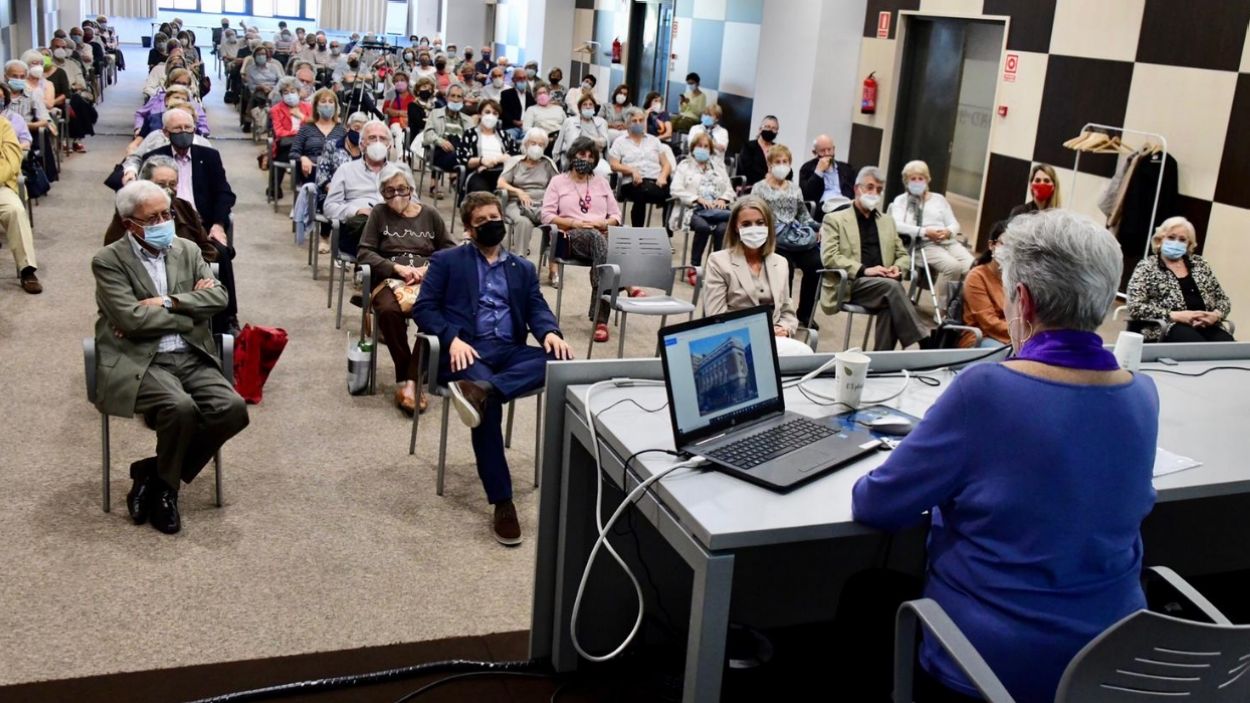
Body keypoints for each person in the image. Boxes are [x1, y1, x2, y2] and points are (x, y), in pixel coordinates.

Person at [851, 208, 1157, 703]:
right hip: (1110, 660)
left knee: (865, 594)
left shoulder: (986, 390)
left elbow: (877, 505)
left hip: (991, 666)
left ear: (1023, 301)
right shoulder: (1142, 393)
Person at [413, 191, 573, 545]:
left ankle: (485, 390)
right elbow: (424, 308)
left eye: (495, 218)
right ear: (469, 229)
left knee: (560, 359)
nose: (491, 225)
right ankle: (502, 501)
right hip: (468, 351)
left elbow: (536, 308)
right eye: (481, 221)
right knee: (489, 411)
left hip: (509, 350)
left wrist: (549, 332)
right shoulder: (447, 261)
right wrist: (452, 339)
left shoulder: (522, 268)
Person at [93, 181, 250, 535]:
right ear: (130, 223)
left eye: (167, 214)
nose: (164, 222)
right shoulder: (108, 261)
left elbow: (219, 299)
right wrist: (188, 313)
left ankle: (153, 473)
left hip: (190, 353)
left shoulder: (188, 250)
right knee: (180, 407)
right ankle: (168, 492)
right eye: (153, 218)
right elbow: (130, 320)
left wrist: (168, 302)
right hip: (141, 360)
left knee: (232, 409)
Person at [357, 164, 456, 414]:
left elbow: (450, 251)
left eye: (401, 189)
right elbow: (364, 252)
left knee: (433, 314)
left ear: (411, 189)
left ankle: (411, 382)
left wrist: (428, 269)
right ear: (382, 193)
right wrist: (396, 268)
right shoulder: (379, 213)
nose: (396, 195)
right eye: (389, 191)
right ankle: (406, 375)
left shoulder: (430, 214)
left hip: (427, 279)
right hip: (391, 278)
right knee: (388, 311)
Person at [106, 155, 241, 336]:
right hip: (145, 286)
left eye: (173, 184)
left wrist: (190, 269)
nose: (168, 190)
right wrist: (191, 306)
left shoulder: (184, 208)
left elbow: (208, 251)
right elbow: (115, 259)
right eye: (161, 184)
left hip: (186, 281)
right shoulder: (129, 215)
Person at [819, 166, 926, 350]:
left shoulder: (887, 221)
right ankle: (924, 341)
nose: (874, 193)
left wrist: (898, 268)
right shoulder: (835, 219)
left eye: (878, 189)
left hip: (883, 285)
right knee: (893, 288)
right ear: (856, 189)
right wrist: (865, 270)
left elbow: (902, 255)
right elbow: (829, 257)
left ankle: (879, 361)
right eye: (869, 187)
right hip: (851, 283)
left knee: (890, 304)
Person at [541, 137, 624, 342]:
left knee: (614, 241)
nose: (585, 159)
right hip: (569, 236)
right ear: (572, 156)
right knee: (599, 241)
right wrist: (574, 223)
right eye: (581, 155)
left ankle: (600, 319)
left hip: (600, 233)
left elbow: (616, 215)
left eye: (590, 156)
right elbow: (546, 216)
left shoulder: (601, 182)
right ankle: (618, 287)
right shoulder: (558, 182)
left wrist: (604, 223)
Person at [1126, 216, 1233, 343]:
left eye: (1182, 239)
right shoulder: (1146, 267)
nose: (1176, 243)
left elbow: (1223, 299)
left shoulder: (1200, 264)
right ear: (1160, 240)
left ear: (1189, 244)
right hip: (1168, 326)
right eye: (1171, 237)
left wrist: (1215, 315)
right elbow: (1135, 307)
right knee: (1195, 345)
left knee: (1229, 347)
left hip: (1206, 325)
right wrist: (1174, 315)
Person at [702, 198, 799, 337]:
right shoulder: (718, 261)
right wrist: (759, 333)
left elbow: (787, 311)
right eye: (746, 224)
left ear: (768, 225)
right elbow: (716, 316)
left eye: (760, 223)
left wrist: (784, 329)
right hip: (737, 337)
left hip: (776, 337)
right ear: (736, 228)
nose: (754, 229)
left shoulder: (781, 263)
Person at [752, 145, 822, 326]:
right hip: (772, 238)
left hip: (794, 236)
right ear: (770, 164)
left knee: (816, 263)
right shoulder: (759, 188)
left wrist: (819, 227)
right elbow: (754, 216)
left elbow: (803, 215)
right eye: (778, 162)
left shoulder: (795, 189)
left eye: (785, 161)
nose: (782, 165)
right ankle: (784, 314)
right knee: (785, 266)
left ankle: (805, 313)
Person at [146, 109, 236, 248]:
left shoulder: (209, 156)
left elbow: (224, 193)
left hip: (202, 225)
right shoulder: (154, 158)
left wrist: (218, 224)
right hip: (165, 224)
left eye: (188, 127)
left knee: (222, 253)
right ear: (166, 132)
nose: (184, 132)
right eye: (177, 128)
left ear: (194, 130)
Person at [887, 159, 973, 305]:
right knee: (953, 267)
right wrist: (925, 232)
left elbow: (954, 223)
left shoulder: (939, 199)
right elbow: (896, 225)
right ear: (906, 181)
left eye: (920, 178)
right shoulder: (901, 201)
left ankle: (960, 306)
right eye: (913, 179)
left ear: (927, 179)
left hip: (947, 241)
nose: (917, 182)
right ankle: (944, 309)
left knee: (973, 267)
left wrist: (948, 232)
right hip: (923, 245)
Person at [324, 120, 410, 257]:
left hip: (393, 227)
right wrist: (356, 211)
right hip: (359, 230)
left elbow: (414, 206)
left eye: (382, 139)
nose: (377, 142)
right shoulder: (346, 170)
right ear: (362, 144)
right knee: (367, 224)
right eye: (372, 138)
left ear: (389, 145)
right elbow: (329, 207)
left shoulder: (400, 172)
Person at [671, 131, 734, 283]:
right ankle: (695, 267)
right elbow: (675, 189)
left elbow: (730, 189)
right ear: (693, 148)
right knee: (703, 228)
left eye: (706, 147)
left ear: (711, 150)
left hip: (717, 210)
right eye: (700, 146)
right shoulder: (685, 166)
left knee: (722, 229)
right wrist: (697, 198)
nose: (703, 149)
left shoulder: (718, 167)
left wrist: (723, 198)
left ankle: (717, 270)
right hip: (692, 210)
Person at [498, 129, 559, 256]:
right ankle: (520, 258)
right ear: (526, 144)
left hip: (541, 204)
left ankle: (553, 258)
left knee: (555, 219)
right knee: (523, 222)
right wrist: (518, 191)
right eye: (533, 143)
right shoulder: (515, 162)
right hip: (516, 202)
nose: (537, 147)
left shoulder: (548, 164)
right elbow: (501, 183)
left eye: (541, 145)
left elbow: (558, 185)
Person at [608, 107, 671, 228]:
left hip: (655, 182)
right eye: (634, 121)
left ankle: (667, 233)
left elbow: (666, 164)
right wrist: (632, 170)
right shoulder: (620, 142)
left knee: (670, 194)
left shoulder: (654, 141)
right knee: (641, 192)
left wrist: (663, 176)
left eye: (641, 120)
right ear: (627, 123)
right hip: (631, 183)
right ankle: (638, 231)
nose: (638, 123)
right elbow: (613, 164)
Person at [0, 113, 39, 293]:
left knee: (15, 211)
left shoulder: (4, 126)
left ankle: (27, 270)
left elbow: (11, 163)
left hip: (1, 186)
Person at [960, 220, 1009, 348]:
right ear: (992, 245)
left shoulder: (1017, 277)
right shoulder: (977, 276)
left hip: (1014, 336)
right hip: (980, 337)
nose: (1009, 250)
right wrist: (1025, 335)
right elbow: (988, 322)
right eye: (1005, 244)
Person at [455, 99, 518, 194]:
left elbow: (515, 154)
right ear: (480, 114)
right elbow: (463, 158)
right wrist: (481, 161)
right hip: (478, 173)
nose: (491, 116)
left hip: (502, 173)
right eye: (487, 112)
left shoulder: (504, 135)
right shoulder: (470, 134)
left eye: (495, 113)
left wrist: (498, 159)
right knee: (481, 192)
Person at [420, 82, 471, 198]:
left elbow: (471, 139)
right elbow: (428, 134)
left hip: (458, 152)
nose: (455, 99)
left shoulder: (467, 120)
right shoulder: (435, 113)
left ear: (463, 99)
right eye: (452, 96)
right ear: (447, 97)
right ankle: (455, 180)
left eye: (459, 96)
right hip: (438, 152)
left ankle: (456, 181)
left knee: (459, 146)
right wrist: (440, 141)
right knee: (454, 148)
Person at [268, 76, 312, 198]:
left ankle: (305, 190)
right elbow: (279, 132)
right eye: (285, 92)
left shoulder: (308, 107)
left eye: (292, 91)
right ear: (281, 95)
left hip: (306, 145)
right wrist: (296, 133)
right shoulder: (276, 109)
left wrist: (301, 116)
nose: (290, 95)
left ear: (298, 92)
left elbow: (314, 127)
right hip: (286, 145)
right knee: (287, 153)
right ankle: (276, 188)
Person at [292, 88, 346, 186]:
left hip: (336, 175)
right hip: (311, 172)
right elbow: (294, 152)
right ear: (316, 106)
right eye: (323, 101)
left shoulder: (341, 130)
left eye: (331, 102)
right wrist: (303, 158)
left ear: (335, 106)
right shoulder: (306, 128)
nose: (327, 105)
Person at [799, 134, 854, 212]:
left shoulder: (846, 168)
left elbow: (853, 192)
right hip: (823, 207)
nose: (827, 153)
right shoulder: (807, 168)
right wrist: (818, 172)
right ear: (814, 152)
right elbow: (806, 195)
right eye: (822, 151)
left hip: (844, 204)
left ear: (834, 149)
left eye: (829, 149)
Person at [554, 93, 608, 166]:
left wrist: (583, 140)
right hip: (574, 159)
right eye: (585, 104)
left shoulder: (601, 122)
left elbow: (604, 143)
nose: (588, 107)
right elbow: (559, 144)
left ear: (594, 107)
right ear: (580, 108)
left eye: (590, 104)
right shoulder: (569, 121)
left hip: (596, 159)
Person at [242, 46, 284, 132]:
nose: (261, 56)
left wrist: (273, 89)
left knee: (276, 98)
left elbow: (281, 80)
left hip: (274, 89)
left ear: (267, 56)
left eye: (263, 54)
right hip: (258, 89)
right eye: (259, 54)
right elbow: (251, 86)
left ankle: (274, 122)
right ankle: (252, 120)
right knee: (258, 97)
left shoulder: (274, 67)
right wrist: (261, 87)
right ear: (254, 56)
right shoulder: (250, 69)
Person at [736, 115, 779, 187]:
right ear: (760, 129)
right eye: (767, 127)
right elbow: (747, 169)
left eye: (774, 128)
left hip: (775, 187)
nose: (770, 130)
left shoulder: (778, 149)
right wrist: (768, 178)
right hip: (751, 186)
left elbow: (787, 171)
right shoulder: (748, 147)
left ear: (777, 132)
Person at [381, 70, 416, 152]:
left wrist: (408, 114)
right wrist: (400, 113)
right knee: (398, 134)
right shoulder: (390, 93)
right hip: (395, 121)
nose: (399, 82)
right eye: (396, 81)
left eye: (402, 80)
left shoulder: (413, 94)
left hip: (411, 121)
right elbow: (385, 110)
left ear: (407, 81)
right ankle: (400, 156)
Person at [499, 67, 533, 140]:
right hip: (511, 127)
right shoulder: (506, 94)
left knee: (530, 139)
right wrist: (514, 122)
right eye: (519, 78)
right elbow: (503, 112)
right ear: (513, 80)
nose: (522, 80)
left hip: (526, 127)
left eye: (524, 78)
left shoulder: (529, 96)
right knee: (508, 139)